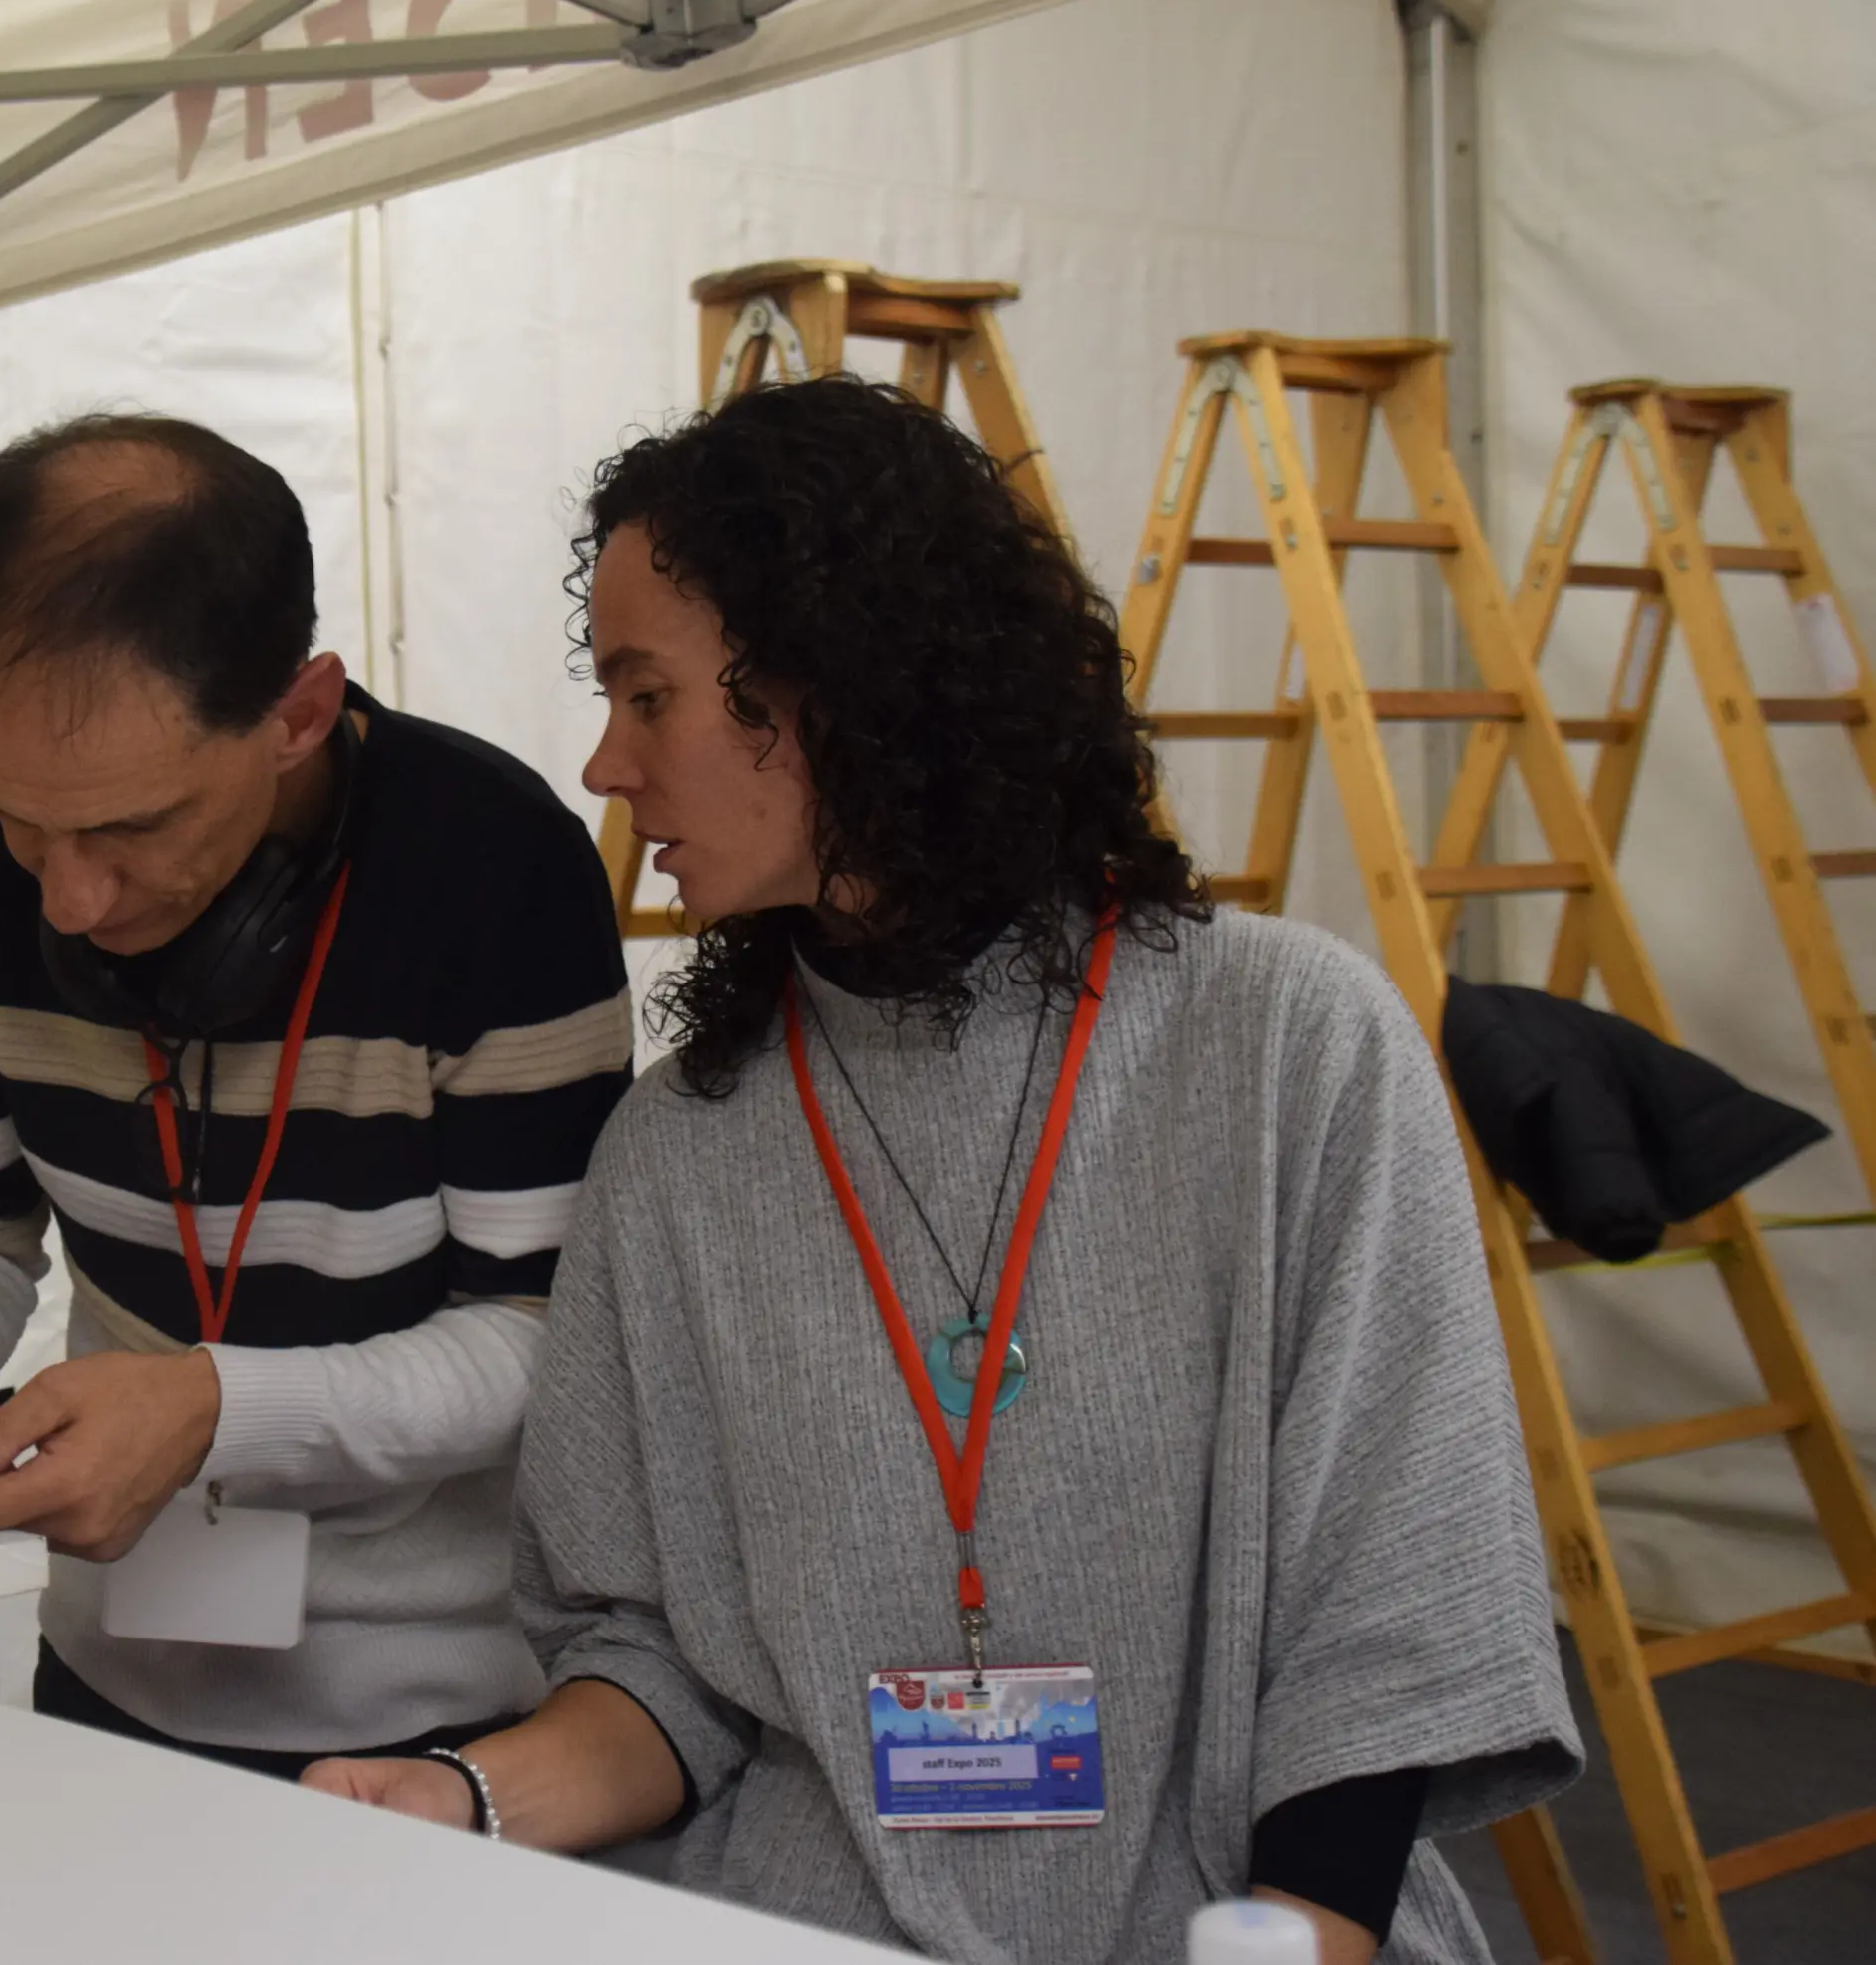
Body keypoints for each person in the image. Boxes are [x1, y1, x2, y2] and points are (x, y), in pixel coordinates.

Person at [304, 376, 1580, 1965]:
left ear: (834, 686)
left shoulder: (1284, 1048)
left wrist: (1293, 1933)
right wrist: (460, 1796)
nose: (602, 767)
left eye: (648, 697)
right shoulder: (679, 1153)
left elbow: (1391, 1600)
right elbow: (661, 1666)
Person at [0, 414, 633, 1774]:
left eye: (130, 826)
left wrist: (211, 1408)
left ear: (297, 713)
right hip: (105, 1669)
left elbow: (546, 1343)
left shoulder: (495, 869)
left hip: (447, 1719)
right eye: (20, 815)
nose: (67, 894)